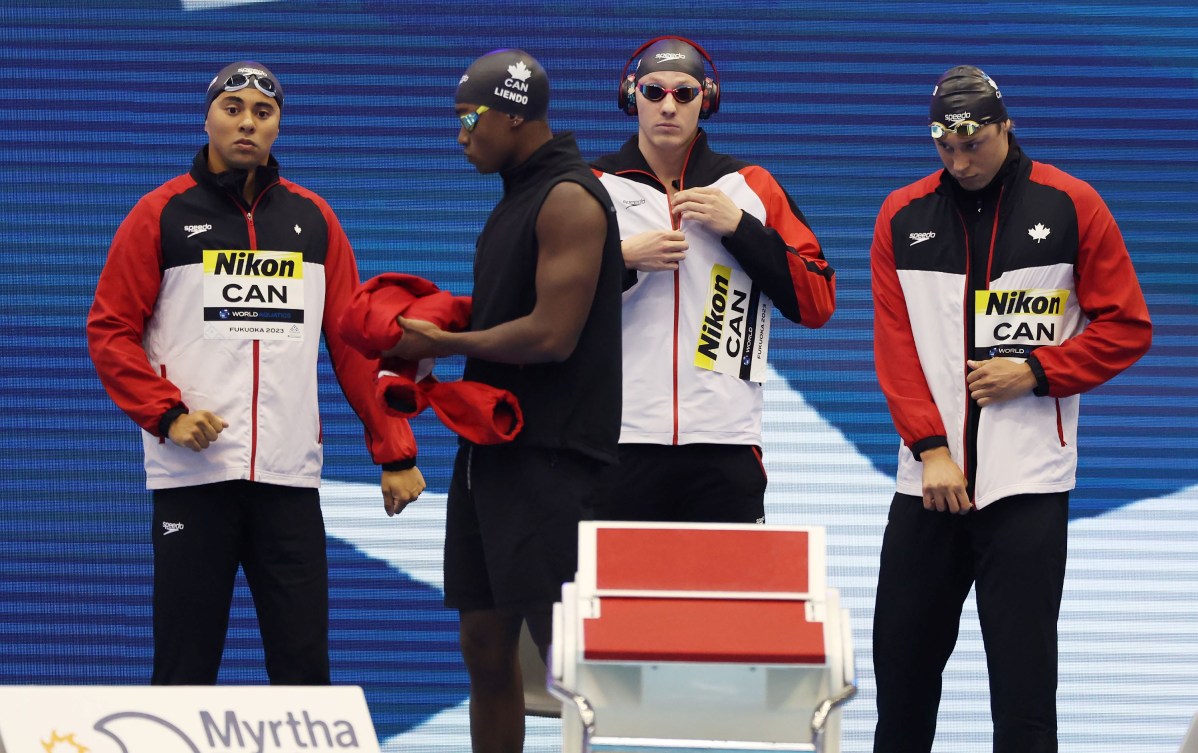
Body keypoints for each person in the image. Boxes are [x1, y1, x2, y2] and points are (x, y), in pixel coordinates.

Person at [86, 61, 425, 685]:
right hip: (192, 475)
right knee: (184, 669)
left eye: (262, 112)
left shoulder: (314, 220)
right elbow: (110, 331)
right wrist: (168, 414)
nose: (247, 122)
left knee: (304, 671)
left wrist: (394, 450)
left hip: (287, 481)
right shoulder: (158, 214)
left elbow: (356, 347)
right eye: (232, 108)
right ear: (208, 116)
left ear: (277, 125)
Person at [870, 65, 1152, 752]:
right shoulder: (902, 215)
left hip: (1026, 487)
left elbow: (1127, 326)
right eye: (946, 146)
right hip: (928, 485)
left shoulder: (1071, 204)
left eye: (975, 143)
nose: (961, 161)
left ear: (1005, 126)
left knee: (1023, 702)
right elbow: (896, 347)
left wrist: (1036, 369)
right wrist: (930, 448)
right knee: (901, 688)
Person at [383, 50, 622, 753]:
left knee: (563, 656)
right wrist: (452, 326)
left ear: (515, 114)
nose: (461, 132)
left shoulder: (570, 197)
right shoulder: (517, 197)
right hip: (491, 454)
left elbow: (551, 334)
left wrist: (448, 341)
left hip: (551, 458)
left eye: (470, 116)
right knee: (484, 642)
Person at [589, 36, 836, 524]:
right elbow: (543, 303)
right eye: (653, 91)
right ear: (629, 95)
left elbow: (818, 302)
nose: (667, 105)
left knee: (725, 600)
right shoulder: (591, 186)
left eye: (684, 93)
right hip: (618, 438)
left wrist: (740, 228)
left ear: (707, 100)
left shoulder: (750, 186)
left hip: (726, 443)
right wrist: (619, 261)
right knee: (622, 600)